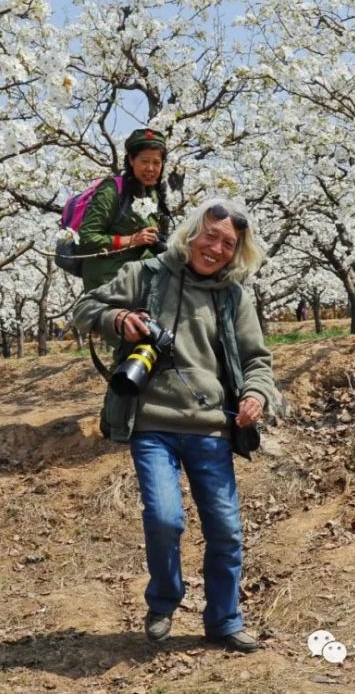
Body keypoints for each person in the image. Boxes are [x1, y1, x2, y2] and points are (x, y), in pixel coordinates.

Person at [72, 196, 276, 653]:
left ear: (237, 252)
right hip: (152, 425)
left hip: (211, 428)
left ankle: (224, 620)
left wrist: (256, 394)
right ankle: (164, 600)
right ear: (192, 234)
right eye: (211, 235)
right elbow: (85, 307)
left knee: (225, 531)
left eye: (228, 243)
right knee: (164, 518)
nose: (217, 248)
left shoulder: (234, 297)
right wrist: (117, 318)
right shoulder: (145, 276)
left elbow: (257, 359)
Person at [76, 128, 171, 291]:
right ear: (131, 160)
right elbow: (86, 238)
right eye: (144, 161)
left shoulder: (155, 195)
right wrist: (132, 240)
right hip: (107, 286)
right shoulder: (111, 190)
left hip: (140, 284)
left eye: (156, 163)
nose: (150, 168)